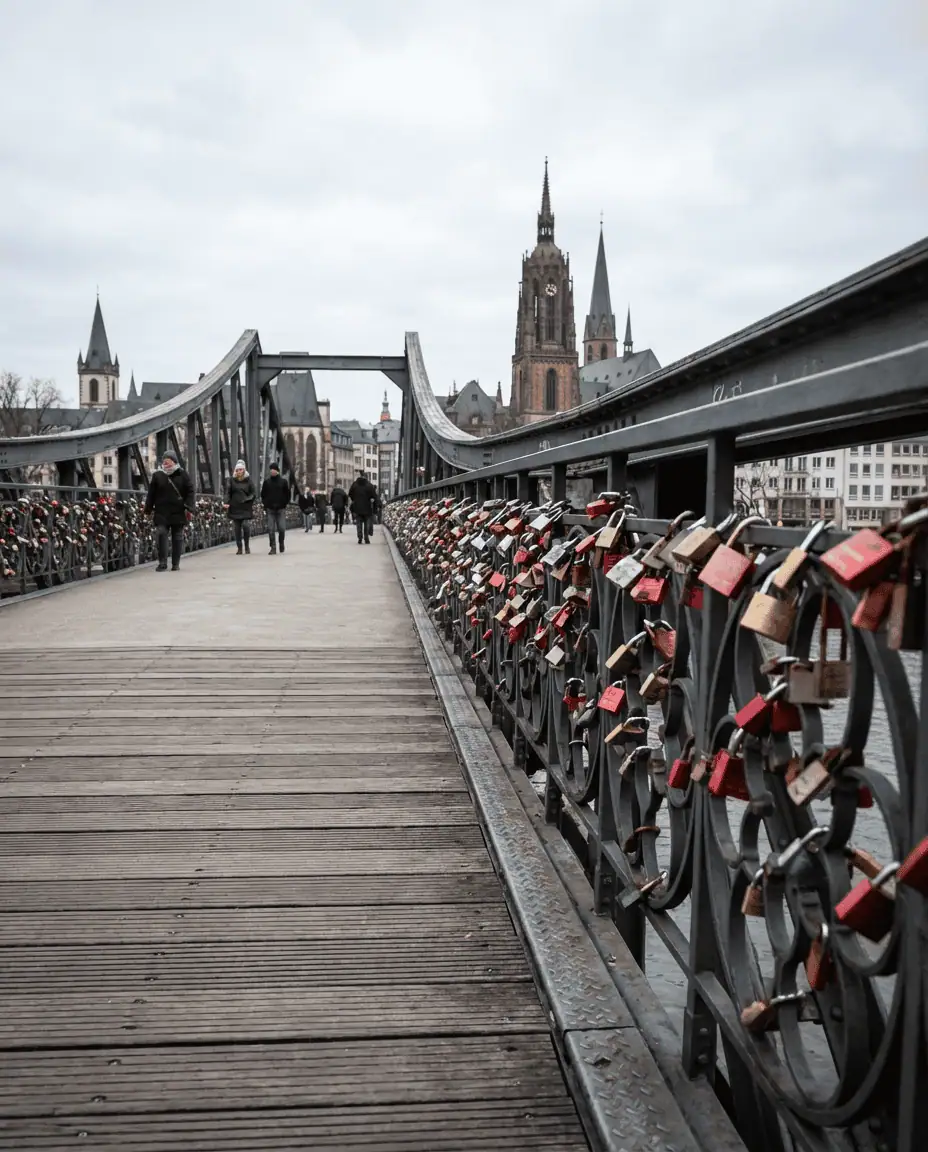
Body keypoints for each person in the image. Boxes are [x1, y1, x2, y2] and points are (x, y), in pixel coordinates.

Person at [144, 449, 194, 572]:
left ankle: (175, 563)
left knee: (177, 536)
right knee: (161, 533)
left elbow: (190, 491)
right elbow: (151, 493)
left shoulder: (182, 474)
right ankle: (162, 563)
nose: (166, 464)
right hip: (162, 511)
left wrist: (189, 506)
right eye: (164, 462)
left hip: (178, 510)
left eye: (168, 462)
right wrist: (148, 509)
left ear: (174, 461)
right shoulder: (157, 475)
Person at [224, 460, 255, 554]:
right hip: (235, 507)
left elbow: (253, 493)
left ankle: (247, 546)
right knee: (237, 528)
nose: (239, 472)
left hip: (245, 507)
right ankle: (239, 547)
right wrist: (226, 502)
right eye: (237, 470)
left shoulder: (249, 480)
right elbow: (228, 492)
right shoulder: (232, 480)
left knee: (246, 526)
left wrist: (248, 499)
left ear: (244, 470)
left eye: (241, 470)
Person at [260, 462, 291, 554]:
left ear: (277, 471)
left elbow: (287, 494)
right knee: (270, 529)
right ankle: (273, 547)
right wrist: (266, 504)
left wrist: (284, 503)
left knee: (282, 528)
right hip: (270, 509)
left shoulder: (283, 482)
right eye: (271, 469)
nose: (272, 471)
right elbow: (263, 495)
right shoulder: (267, 482)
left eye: (274, 469)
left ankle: (281, 542)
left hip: (281, 508)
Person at [348, 470, 377, 545]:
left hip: (357, 506)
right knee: (367, 523)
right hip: (367, 507)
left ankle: (360, 537)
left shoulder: (355, 484)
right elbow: (374, 496)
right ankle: (366, 537)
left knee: (359, 522)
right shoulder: (369, 485)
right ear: (366, 477)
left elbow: (350, 493)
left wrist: (354, 499)